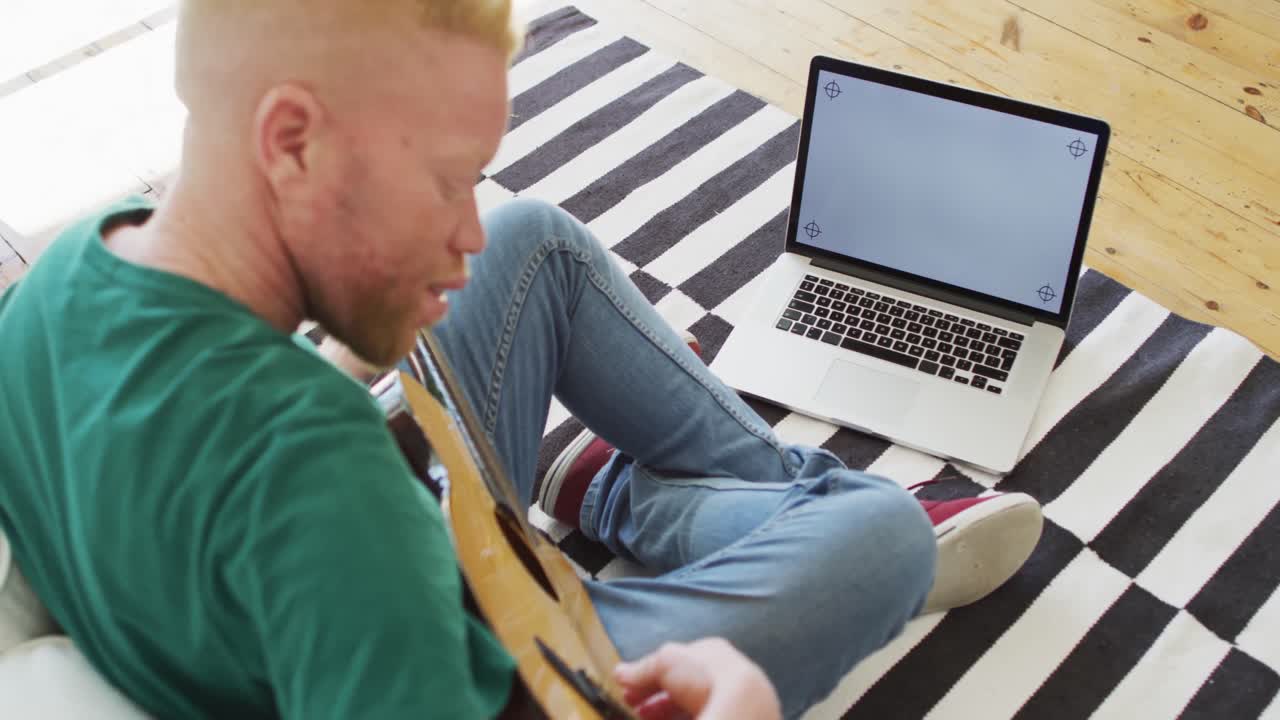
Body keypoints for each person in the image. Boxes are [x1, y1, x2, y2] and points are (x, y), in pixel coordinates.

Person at [0, 1, 1044, 718]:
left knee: (528, 239)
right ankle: (697, 504)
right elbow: (313, 517)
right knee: (880, 531)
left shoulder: (55, 284)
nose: (462, 227)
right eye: (446, 179)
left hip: (410, 542)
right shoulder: (314, 480)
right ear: (290, 141)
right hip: (503, 637)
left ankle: (646, 492)